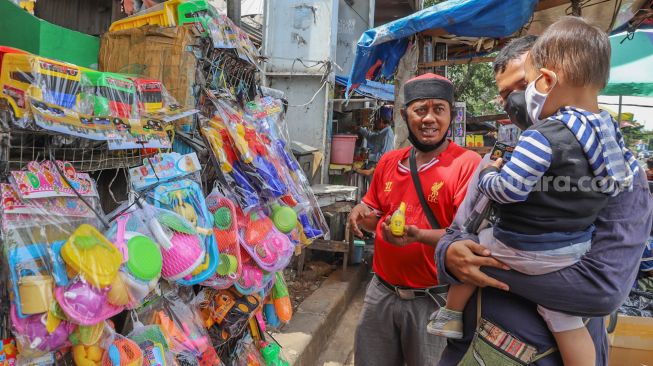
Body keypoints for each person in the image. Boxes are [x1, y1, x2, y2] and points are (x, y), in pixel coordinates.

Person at [429, 17, 639, 366]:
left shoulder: (618, 171)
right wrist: (451, 257)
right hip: (471, 348)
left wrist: (491, 266)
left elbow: (602, 289)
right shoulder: (498, 160)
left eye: (522, 85)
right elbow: (454, 236)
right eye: (504, 94)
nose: (513, 102)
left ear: (549, 77)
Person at [348, 73, 481, 366]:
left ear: (450, 114)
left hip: (433, 301)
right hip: (380, 293)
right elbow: (374, 213)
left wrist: (418, 235)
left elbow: (469, 239)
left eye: (439, 109)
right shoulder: (388, 161)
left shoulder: (467, 164)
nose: (429, 118)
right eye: (421, 110)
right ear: (405, 114)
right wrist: (361, 213)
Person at [355, 105, 395, 177]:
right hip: (372, 168)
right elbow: (371, 137)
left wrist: (368, 156)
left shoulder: (388, 134)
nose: (375, 123)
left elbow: (384, 156)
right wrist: (360, 129)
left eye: (376, 121)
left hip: (378, 171)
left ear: (381, 121)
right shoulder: (382, 132)